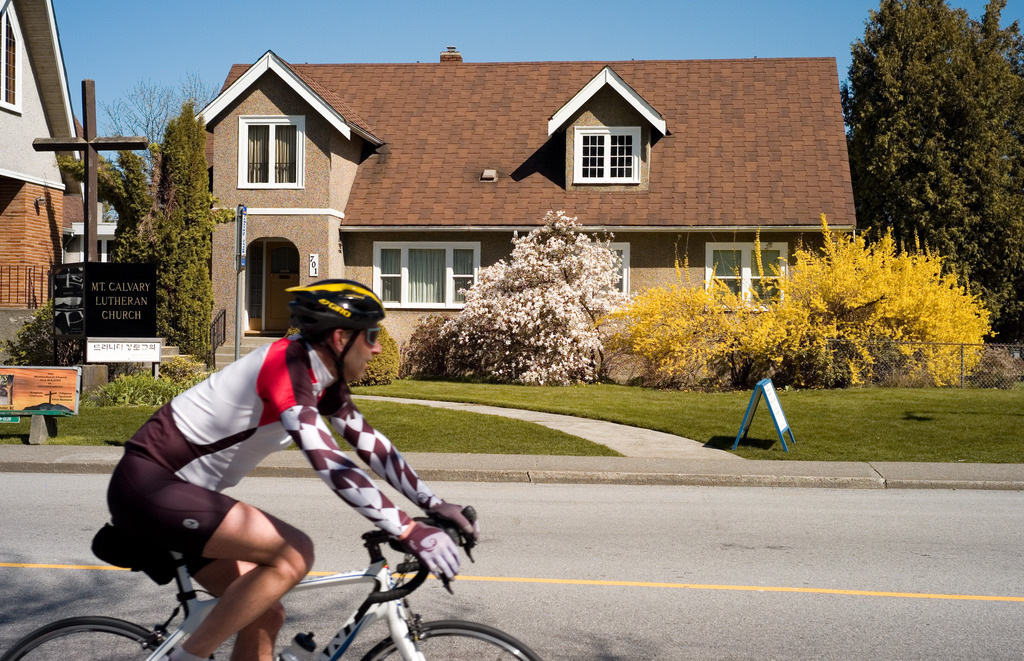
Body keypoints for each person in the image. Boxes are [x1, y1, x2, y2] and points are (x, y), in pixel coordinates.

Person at [105, 279, 477, 661]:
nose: (377, 346)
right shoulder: (286, 366)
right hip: (151, 487)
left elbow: (369, 443)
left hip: (180, 495)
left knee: (264, 612)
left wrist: (434, 503)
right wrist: (408, 528)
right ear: (339, 338)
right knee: (294, 553)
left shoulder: (321, 376)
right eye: (371, 334)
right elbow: (329, 460)